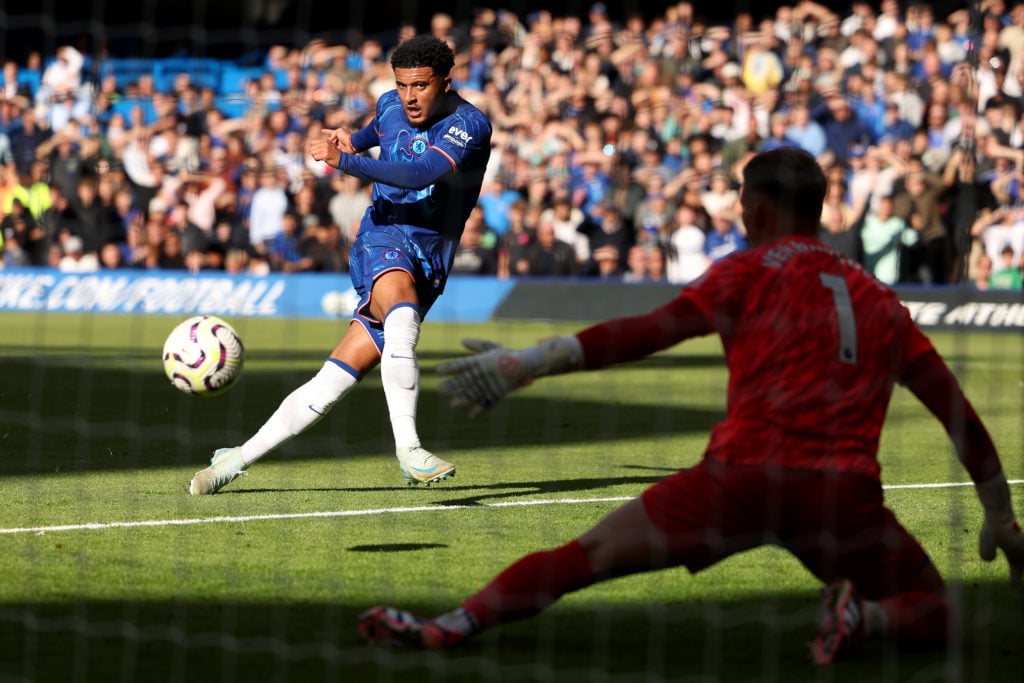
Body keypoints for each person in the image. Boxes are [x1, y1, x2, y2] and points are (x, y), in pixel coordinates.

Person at [357, 148, 1024, 664]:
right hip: (841, 497)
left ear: (759, 209)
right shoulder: (882, 300)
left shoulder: (748, 268)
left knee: (585, 556)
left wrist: (527, 362)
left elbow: (647, 332)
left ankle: (452, 625)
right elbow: (954, 409)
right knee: (940, 611)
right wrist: (999, 515)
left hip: (738, 480)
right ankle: (863, 616)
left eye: (740, 200)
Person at [188, 35, 492, 494]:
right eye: (402, 85)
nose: (409, 97)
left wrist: (346, 158)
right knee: (403, 316)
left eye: (421, 86)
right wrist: (347, 139)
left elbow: (419, 173)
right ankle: (409, 450)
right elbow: (375, 134)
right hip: (382, 236)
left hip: (430, 259)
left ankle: (233, 459)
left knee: (333, 380)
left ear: (445, 83)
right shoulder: (390, 104)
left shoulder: (469, 125)